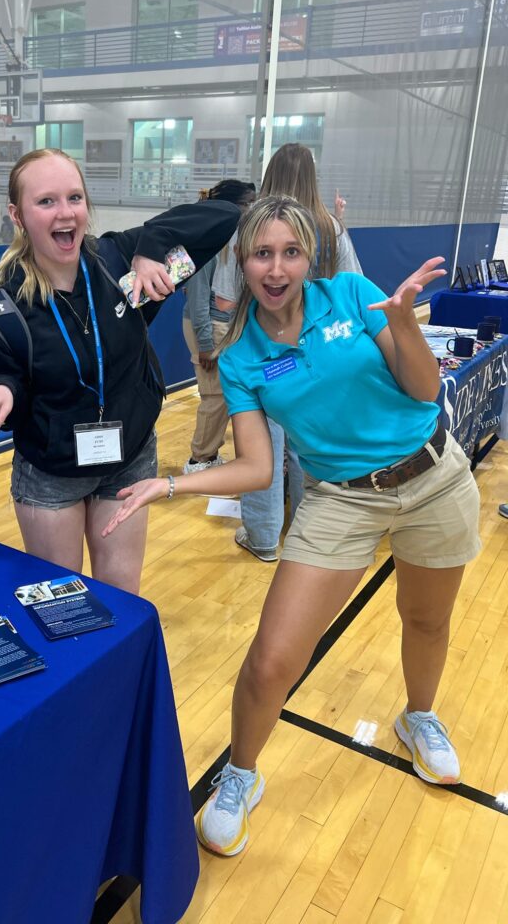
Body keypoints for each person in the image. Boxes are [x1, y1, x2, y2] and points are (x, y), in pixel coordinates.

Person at [102, 195, 482, 855]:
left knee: (426, 620)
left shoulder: (354, 296)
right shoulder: (242, 358)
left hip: (434, 478)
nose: (276, 268)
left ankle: (419, 717)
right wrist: (170, 483)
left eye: (290, 252)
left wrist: (404, 325)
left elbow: (424, 391)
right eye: (261, 253)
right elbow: (254, 467)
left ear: (309, 257)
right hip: (341, 500)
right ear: (241, 261)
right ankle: (241, 774)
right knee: (271, 659)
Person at [0, 148, 239, 594]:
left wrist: (151, 247)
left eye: (75, 198)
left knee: (120, 598)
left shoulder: (121, 263)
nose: (65, 212)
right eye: (46, 201)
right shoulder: (5, 303)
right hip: (53, 471)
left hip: (128, 460)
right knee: (60, 605)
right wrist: (4, 391)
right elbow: (7, 373)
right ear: (18, 215)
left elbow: (225, 216)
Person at [234, 143, 364, 560]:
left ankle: (264, 537)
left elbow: (226, 292)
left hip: (263, 350)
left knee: (260, 448)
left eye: (292, 253)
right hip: (319, 355)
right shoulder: (331, 228)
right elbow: (353, 284)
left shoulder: (249, 228)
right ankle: (309, 531)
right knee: (306, 443)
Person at [182, 180, 256, 474]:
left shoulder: (231, 239)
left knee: (222, 396)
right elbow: (198, 297)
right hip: (208, 327)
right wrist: (205, 344)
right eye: (247, 203)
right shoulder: (208, 241)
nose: (252, 208)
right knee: (214, 397)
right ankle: (199, 460)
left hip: (222, 326)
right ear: (230, 206)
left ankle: (208, 455)